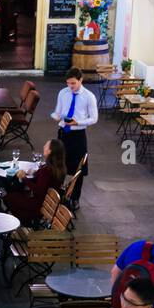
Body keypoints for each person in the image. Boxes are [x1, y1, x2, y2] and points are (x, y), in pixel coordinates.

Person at [49, 68, 98, 206]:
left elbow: (94, 118)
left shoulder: (89, 96)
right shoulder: (63, 93)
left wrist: (79, 122)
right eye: (68, 83)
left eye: (73, 83)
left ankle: (75, 198)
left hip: (78, 135)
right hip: (63, 132)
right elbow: (57, 111)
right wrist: (56, 116)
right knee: (59, 165)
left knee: (78, 168)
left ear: (81, 80)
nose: (70, 86)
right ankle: (58, 195)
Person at [5, 138, 66, 227]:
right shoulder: (59, 167)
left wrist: (24, 178)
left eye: (46, 146)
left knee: (9, 197)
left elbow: (38, 190)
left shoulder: (47, 170)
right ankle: (24, 220)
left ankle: (25, 222)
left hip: (38, 205)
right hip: (49, 203)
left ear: (50, 151)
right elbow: (45, 182)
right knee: (17, 193)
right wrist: (35, 173)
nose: (43, 146)